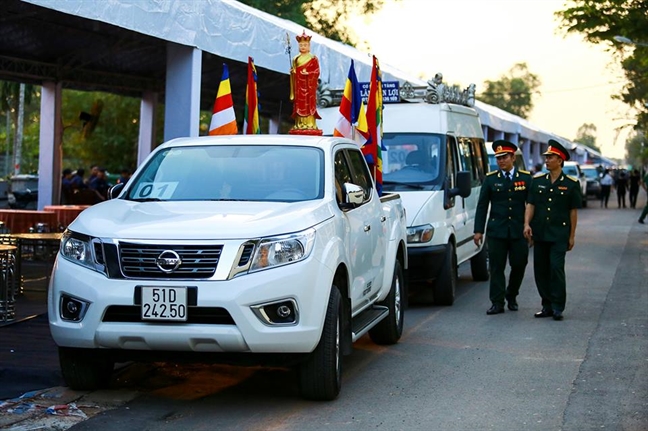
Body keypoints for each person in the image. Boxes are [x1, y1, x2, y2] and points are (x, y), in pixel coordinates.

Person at [524, 139, 582, 321]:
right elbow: (531, 204)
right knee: (540, 270)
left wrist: (572, 236)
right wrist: (526, 224)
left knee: (556, 268)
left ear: (560, 160)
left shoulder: (571, 184)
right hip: (540, 233)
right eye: (546, 157)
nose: (547, 160)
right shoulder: (538, 181)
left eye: (550, 157)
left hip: (559, 235)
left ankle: (558, 306)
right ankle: (546, 305)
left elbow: (573, 212)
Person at [474, 140, 533, 315]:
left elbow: (531, 204)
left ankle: (512, 294)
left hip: (518, 231)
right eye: (498, 158)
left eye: (504, 157)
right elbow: (482, 205)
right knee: (496, 267)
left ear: (513, 158)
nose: (501, 161)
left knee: (519, 264)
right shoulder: (491, 179)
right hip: (497, 231)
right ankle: (497, 302)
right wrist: (478, 230)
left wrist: (531, 228)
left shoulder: (525, 178)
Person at [289, 30, 321, 132]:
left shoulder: (313, 58)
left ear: (309, 46)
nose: (303, 47)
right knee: (299, 105)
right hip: (299, 86)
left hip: (309, 87)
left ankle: (310, 124)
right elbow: (294, 72)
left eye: (305, 45)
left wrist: (309, 74)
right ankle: (299, 124)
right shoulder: (295, 59)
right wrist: (293, 73)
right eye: (301, 45)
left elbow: (317, 72)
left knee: (309, 105)